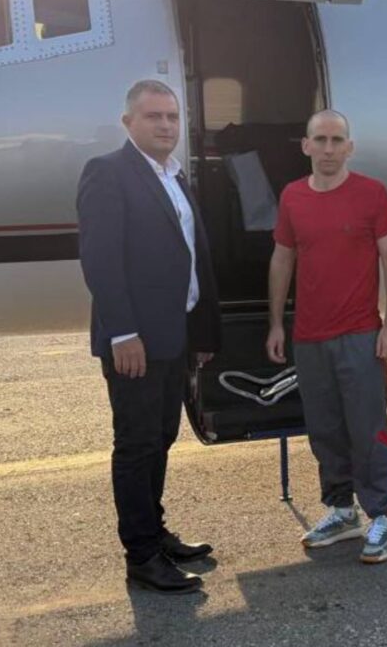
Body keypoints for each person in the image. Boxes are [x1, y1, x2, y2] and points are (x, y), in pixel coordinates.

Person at [77, 79, 222, 593]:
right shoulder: (108, 173)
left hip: (173, 335)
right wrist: (123, 332)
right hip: (135, 341)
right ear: (128, 122)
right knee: (136, 444)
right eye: (153, 116)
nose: (165, 125)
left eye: (172, 117)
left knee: (161, 437)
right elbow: (100, 260)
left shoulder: (174, 176)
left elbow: (192, 256)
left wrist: (200, 331)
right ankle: (141, 555)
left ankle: (155, 533)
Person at [266, 109, 387, 564]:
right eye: (320, 140)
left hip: (360, 334)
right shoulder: (292, 197)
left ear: (350, 147)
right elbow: (282, 259)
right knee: (324, 429)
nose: (328, 149)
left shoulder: (371, 194)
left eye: (337, 140)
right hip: (309, 337)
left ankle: (381, 514)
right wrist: (276, 323)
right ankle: (342, 510)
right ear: (306, 145)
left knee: (367, 427)